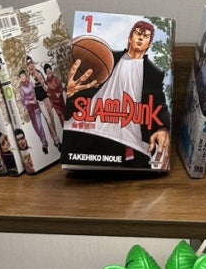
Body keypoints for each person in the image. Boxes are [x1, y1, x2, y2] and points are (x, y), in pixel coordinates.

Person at [65, 20, 170, 170]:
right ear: (130, 38)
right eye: (137, 33)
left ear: (149, 43)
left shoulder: (154, 73)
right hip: (85, 132)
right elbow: (82, 85)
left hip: (127, 143)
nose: (141, 38)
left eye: (146, 36)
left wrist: (163, 128)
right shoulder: (106, 58)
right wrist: (69, 93)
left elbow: (159, 104)